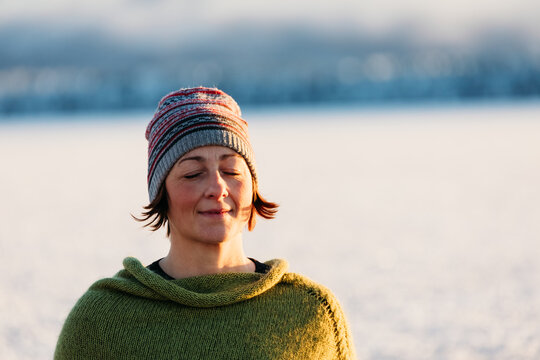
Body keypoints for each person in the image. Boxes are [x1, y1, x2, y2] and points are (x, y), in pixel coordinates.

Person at [54, 87, 356, 359]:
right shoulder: (100, 322)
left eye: (232, 171)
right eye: (192, 174)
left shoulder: (312, 312)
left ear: (253, 187)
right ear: (162, 193)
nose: (217, 187)